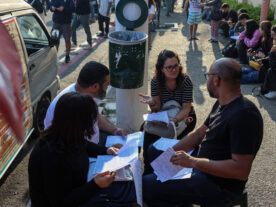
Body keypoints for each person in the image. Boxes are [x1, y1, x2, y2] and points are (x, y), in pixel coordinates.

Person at [143, 58, 263, 207]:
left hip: (218, 185)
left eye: (208, 76)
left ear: (216, 80)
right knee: (154, 151)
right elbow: (198, 134)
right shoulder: (222, 102)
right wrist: (170, 154)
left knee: (146, 185)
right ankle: (175, 194)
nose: (207, 81)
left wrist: (193, 162)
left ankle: (173, 196)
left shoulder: (243, 115)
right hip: (203, 165)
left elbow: (240, 170)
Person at [29, 92, 119, 207]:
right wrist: (96, 184)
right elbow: (62, 201)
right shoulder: (52, 156)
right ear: (80, 122)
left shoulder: (66, 133)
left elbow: (84, 144)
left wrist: (105, 150)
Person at [139, 50, 196, 175]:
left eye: (176, 66)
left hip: (183, 117)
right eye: (169, 67)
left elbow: (186, 108)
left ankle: (172, 170)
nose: (173, 70)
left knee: (175, 142)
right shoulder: (155, 82)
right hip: (165, 114)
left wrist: (174, 121)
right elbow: (157, 108)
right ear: (161, 69)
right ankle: (148, 170)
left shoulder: (185, 80)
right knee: (147, 132)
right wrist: (152, 102)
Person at [44, 61, 127, 146]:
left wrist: (114, 130)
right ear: (95, 86)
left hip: (92, 142)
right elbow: (73, 145)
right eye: (107, 84)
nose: (107, 87)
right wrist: (104, 151)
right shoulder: (70, 106)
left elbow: (95, 117)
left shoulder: (89, 92)